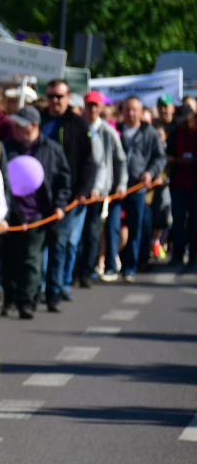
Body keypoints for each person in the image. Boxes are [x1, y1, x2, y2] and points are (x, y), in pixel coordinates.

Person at [1, 106, 71, 318]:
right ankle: (10, 299)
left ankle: (27, 301)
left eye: (20, 126)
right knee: (9, 259)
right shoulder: (6, 148)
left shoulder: (51, 149)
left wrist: (59, 205)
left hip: (39, 215)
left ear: (33, 126)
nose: (15, 129)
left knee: (32, 260)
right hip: (11, 214)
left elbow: (63, 180)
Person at [40, 79, 94, 309]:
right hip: (37, 194)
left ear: (68, 97)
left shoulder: (78, 123)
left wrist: (82, 190)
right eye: (51, 96)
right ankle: (38, 289)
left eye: (60, 97)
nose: (55, 101)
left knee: (60, 243)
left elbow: (88, 161)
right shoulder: (38, 119)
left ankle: (55, 291)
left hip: (67, 195)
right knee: (37, 244)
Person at [108, 95, 166, 282]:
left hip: (138, 189)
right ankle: (110, 266)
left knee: (135, 229)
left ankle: (129, 268)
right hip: (116, 188)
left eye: (135, 110)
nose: (131, 113)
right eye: (127, 109)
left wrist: (150, 172)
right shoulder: (114, 130)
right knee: (112, 226)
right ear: (122, 112)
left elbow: (160, 157)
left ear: (141, 112)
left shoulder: (149, 133)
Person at [78, 91, 126, 286]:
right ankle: (76, 269)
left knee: (92, 231)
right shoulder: (78, 128)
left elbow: (119, 161)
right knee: (77, 233)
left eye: (96, 105)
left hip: (99, 192)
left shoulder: (108, 131)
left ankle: (88, 270)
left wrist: (121, 184)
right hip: (79, 191)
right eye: (89, 105)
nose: (92, 109)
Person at [167, 104, 197, 270]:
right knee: (178, 220)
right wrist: (174, 160)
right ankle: (177, 255)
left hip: (194, 185)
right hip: (178, 184)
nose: (182, 125)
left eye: (185, 121)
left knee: (194, 221)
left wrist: (192, 161)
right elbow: (169, 152)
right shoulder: (175, 133)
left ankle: (193, 256)